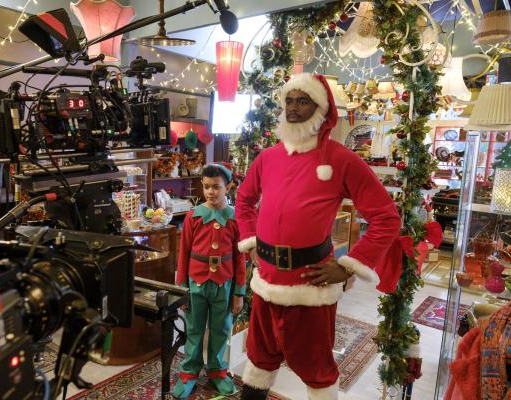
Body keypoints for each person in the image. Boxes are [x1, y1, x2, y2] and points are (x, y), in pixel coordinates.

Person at [235, 73, 401, 400]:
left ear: (321, 108)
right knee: (259, 356)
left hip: (310, 285)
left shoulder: (340, 159)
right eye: (289, 101)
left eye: (303, 101)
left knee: (317, 368)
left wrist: (350, 266)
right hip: (266, 279)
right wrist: (251, 240)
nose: (294, 108)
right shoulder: (267, 157)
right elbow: (243, 200)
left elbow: (386, 217)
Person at [172, 163, 246, 399]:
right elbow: (183, 253)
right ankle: (189, 372)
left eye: (216, 187)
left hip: (224, 284)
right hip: (196, 283)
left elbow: (240, 257)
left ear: (229, 186)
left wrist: (239, 292)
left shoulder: (234, 218)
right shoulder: (194, 216)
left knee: (220, 328)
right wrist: (181, 288)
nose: (211, 192)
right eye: (206, 187)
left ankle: (216, 371)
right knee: (194, 328)